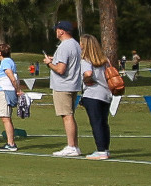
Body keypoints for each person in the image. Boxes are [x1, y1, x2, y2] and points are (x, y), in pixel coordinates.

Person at [43, 20, 83, 158]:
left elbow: (60, 69)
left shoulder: (64, 46)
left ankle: (71, 146)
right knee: (69, 114)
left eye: (57, 29)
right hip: (73, 83)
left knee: (67, 116)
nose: (56, 32)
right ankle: (74, 145)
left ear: (61, 31)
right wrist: (55, 59)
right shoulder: (75, 44)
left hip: (63, 85)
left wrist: (49, 64)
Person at [77, 34, 115, 159]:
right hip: (106, 94)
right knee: (104, 122)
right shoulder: (105, 60)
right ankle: (105, 148)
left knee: (96, 122)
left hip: (93, 94)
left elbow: (88, 73)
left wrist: (86, 79)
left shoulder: (86, 59)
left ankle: (101, 150)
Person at [0, 42, 24, 152]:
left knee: (5, 118)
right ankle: (10, 142)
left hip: (4, 91)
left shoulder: (5, 62)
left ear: (0, 52)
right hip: (5, 90)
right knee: (6, 117)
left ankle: (11, 144)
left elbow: (11, 76)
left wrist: (18, 90)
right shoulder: (8, 62)